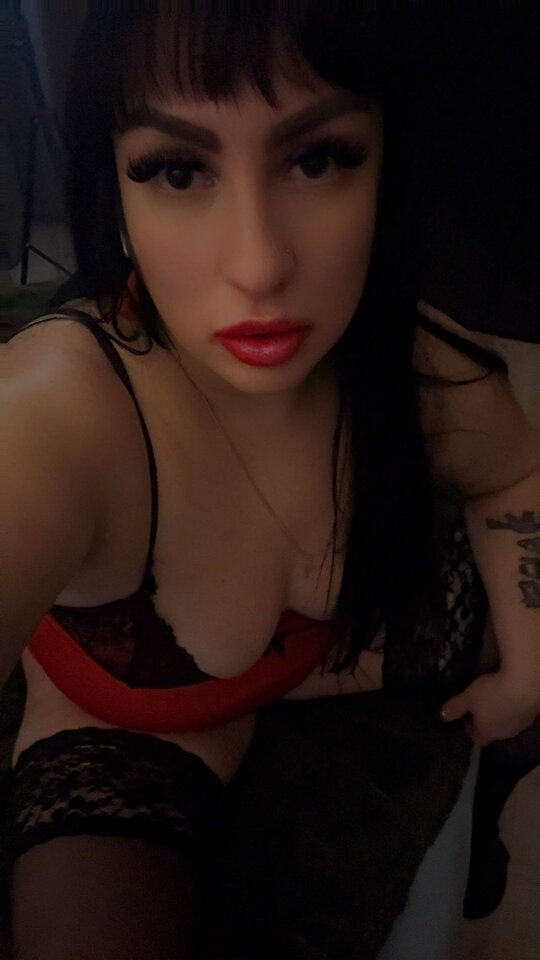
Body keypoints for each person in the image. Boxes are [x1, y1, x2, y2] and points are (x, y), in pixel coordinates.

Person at [1, 5, 538, 959]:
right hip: (137, 728)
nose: (257, 265)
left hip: (346, 653)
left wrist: (529, 668)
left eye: (318, 159)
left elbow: (517, 474)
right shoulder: (59, 413)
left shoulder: (413, 367)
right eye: (178, 170)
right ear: (114, 186)